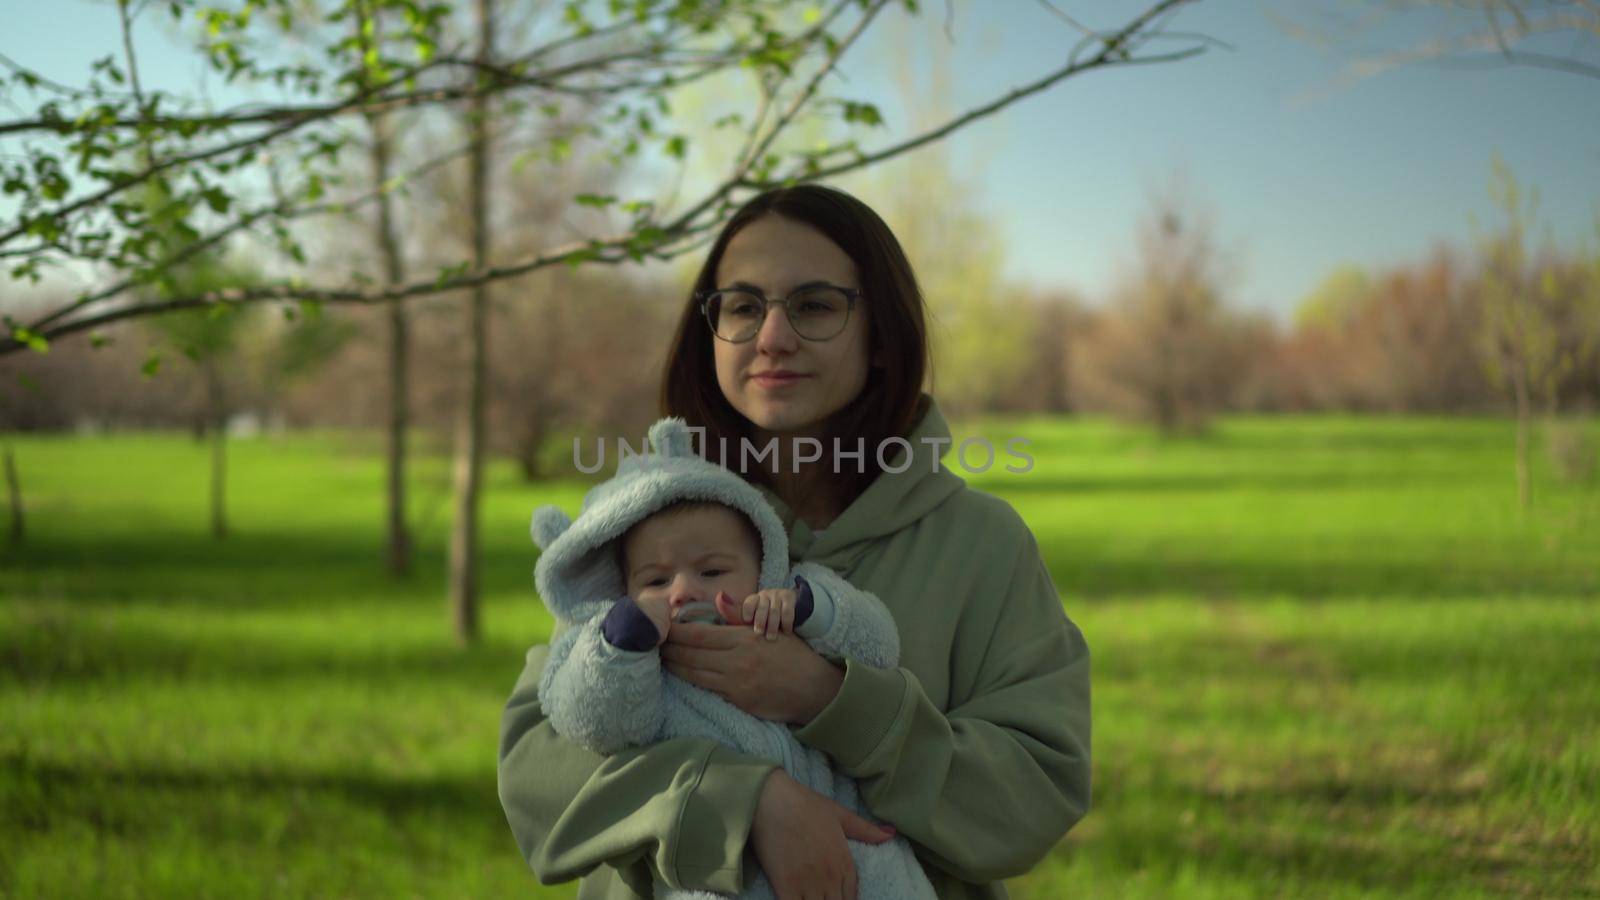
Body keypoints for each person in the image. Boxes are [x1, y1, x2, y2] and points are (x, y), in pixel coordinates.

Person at [499, 184, 1091, 899]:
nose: (772, 337)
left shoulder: (979, 545)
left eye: (814, 305)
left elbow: (1033, 795)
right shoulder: (644, 521)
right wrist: (741, 801)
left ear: (881, 337)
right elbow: (537, 771)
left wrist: (828, 698)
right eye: (744, 306)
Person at [529, 416, 936, 899]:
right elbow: (594, 719)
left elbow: (877, 641)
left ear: (763, 565)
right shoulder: (642, 664)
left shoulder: (782, 605)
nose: (683, 591)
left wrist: (811, 609)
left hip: (843, 844)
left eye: (713, 570)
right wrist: (622, 647)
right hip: (718, 868)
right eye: (656, 582)